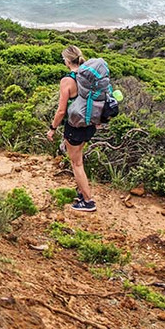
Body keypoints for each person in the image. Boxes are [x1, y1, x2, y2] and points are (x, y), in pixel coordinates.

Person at [47, 44, 97, 212]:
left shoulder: (67, 80)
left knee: (77, 164)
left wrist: (52, 128)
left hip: (75, 126)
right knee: (79, 158)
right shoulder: (88, 76)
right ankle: (82, 191)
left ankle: (88, 201)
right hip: (90, 124)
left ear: (68, 61)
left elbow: (61, 110)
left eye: (64, 59)